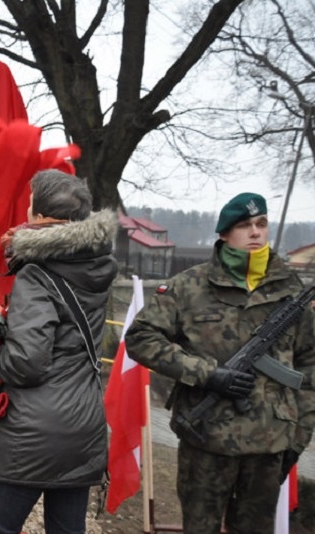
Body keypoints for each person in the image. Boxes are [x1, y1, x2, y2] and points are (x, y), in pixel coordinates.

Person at [125, 192, 315, 533]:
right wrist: (206, 374)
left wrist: (299, 437)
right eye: (244, 226)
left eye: (261, 224)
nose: (256, 233)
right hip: (205, 440)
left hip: (269, 445)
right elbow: (141, 338)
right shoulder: (188, 286)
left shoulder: (290, 291)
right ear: (224, 234)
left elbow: (308, 367)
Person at [0, 170, 119, 534]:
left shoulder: (37, 273)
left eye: (29, 204)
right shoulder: (97, 264)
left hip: (33, 431)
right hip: (83, 425)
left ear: (39, 217)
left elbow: (28, 362)